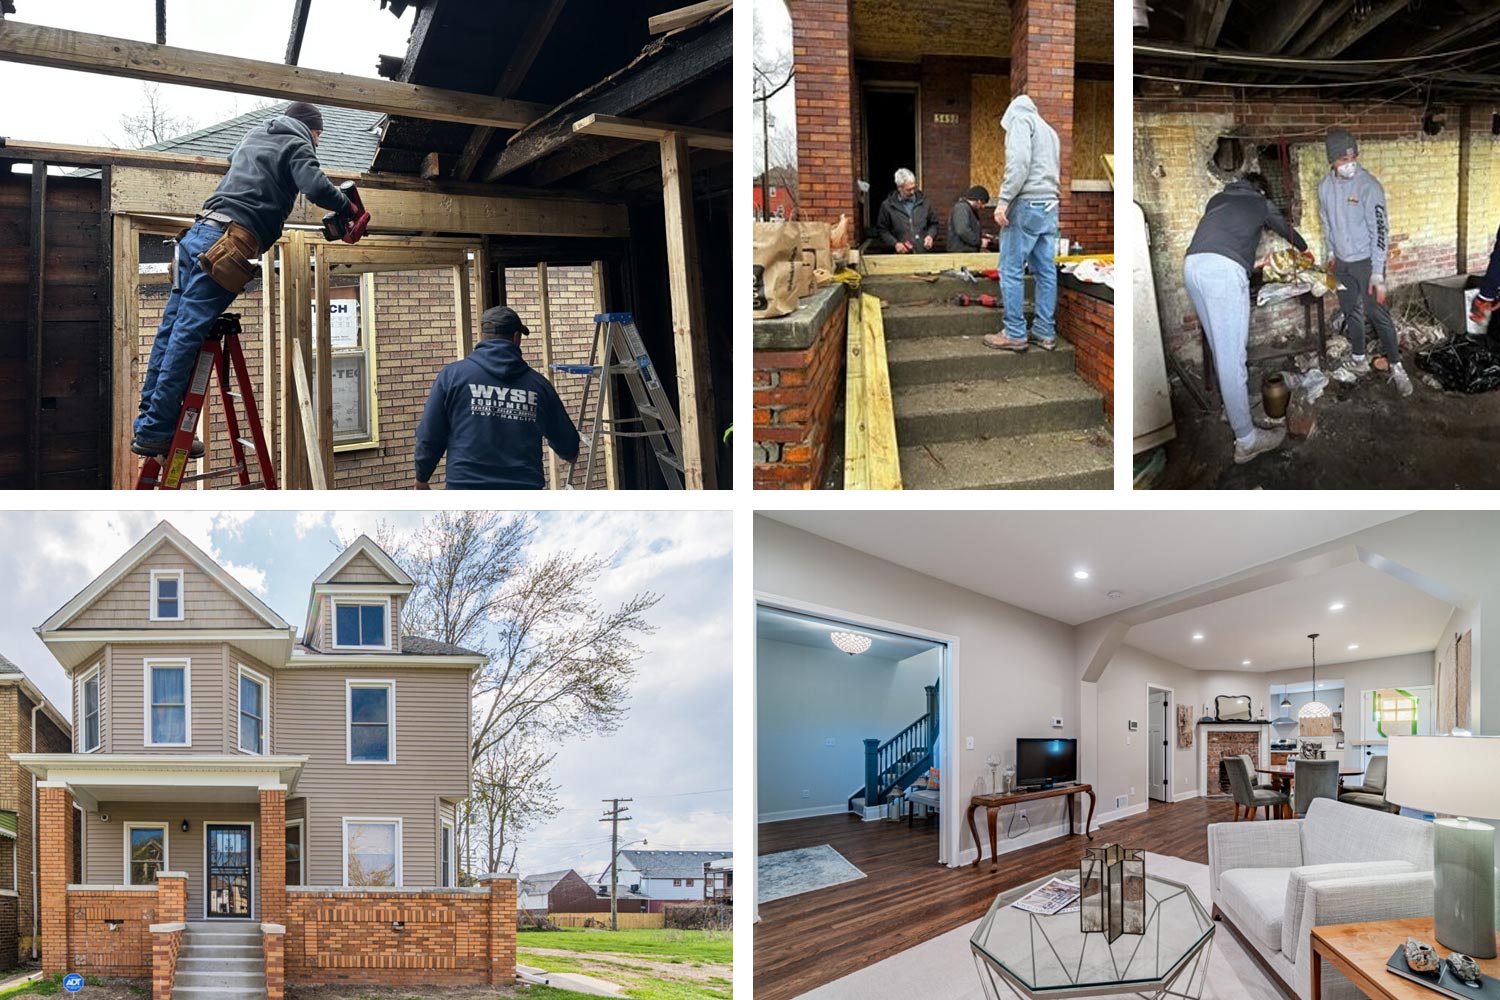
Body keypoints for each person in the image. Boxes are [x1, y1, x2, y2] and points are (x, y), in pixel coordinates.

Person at [132, 102, 355, 457]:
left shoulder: (253, 135)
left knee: (171, 329)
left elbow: (237, 157)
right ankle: (158, 428)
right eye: (318, 137)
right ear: (312, 130)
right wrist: (345, 205)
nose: (316, 143)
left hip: (196, 236)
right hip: (227, 241)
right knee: (187, 333)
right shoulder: (299, 141)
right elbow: (314, 186)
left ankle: (149, 424)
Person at [1183, 173, 1307, 464]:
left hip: (1192, 267)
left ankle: (1232, 409)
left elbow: (1220, 245)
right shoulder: (1260, 202)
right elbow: (1286, 230)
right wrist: (1305, 250)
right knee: (1233, 359)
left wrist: (1255, 263)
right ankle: (1247, 441)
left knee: (1219, 349)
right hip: (1221, 275)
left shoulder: (1218, 200)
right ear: (1261, 190)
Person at [414, 305, 580, 490]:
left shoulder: (452, 376)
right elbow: (569, 446)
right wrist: (570, 454)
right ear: (516, 337)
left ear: (483, 335)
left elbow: (429, 434)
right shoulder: (539, 386)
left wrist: (422, 477)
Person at [1317, 128, 1412, 397]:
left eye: (1353, 158)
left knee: (1377, 313)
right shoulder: (1324, 188)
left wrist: (1377, 272)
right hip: (1343, 265)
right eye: (1344, 160)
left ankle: (1396, 366)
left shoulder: (1369, 186)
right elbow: (1326, 224)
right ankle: (1359, 359)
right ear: (1332, 161)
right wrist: (1330, 253)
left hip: (1367, 263)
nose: (1350, 164)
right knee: (1351, 311)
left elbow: (1380, 230)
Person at [982, 95, 1061, 353]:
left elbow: (1019, 163)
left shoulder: (1020, 120)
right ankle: (1044, 331)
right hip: (1050, 205)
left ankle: (1015, 333)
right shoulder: (1049, 131)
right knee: (1045, 271)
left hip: (1027, 204)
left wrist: (1003, 201)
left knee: (1010, 269)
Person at [875, 168, 938, 253]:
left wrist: (930, 236)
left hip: (922, 253)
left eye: (914, 188)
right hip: (900, 256)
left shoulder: (925, 203)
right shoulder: (887, 206)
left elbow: (934, 224)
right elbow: (882, 230)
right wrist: (895, 243)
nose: (912, 192)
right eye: (908, 190)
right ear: (899, 188)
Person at [947, 185, 993, 252]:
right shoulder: (962, 208)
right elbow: (962, 230)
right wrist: (980, 242)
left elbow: (966, 228)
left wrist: (981, 235)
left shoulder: (967, 209)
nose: (983, 207)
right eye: (983, 203)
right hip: (961, 254)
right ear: (979, 201)